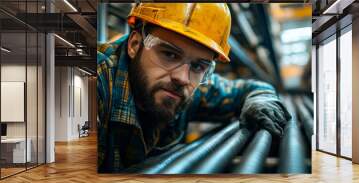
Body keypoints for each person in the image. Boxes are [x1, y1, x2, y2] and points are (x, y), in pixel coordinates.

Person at [97, 3, 291, 172]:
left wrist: (261, 98)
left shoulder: (186, 88)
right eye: (169, 55)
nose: (182, 78)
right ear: (135, 44)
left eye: (198, 66)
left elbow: (250, 89)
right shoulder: (95, 83)